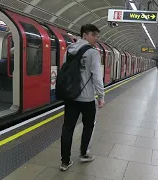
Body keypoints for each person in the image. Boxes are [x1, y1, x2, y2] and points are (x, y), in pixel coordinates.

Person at [60, 24, 105, 171]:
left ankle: (65, 162)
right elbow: (97, 77)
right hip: (86, 99)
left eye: (97, 35)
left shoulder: (68, 50)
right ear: (84, 35)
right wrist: (100, 96)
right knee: (88, 126)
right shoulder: (93, 53)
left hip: (71, 97)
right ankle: (84, 154)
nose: (96, 38)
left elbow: (64, 72)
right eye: (94, 35)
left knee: (67, 129)